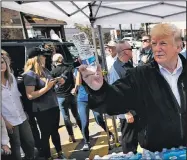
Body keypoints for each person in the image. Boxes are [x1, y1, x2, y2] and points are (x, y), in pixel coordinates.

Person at [79, 23, 187, 152]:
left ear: (179, 46)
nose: (157, 49)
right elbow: (115, 100)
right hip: (157, 153)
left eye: (163, 43)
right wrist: (99, 89)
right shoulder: (139, 76)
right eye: (154, 43)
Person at [23, 46, 65, 160]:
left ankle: (60, 153)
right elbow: (30, 95)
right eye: (43, 56)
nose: (45, 58)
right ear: (37, 58)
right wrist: (47, 88)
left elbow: (50, 85)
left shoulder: (45, 70)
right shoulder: (30, 74)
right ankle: (48, 156)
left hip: (53, 105)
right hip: (42, 109)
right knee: (46, 134)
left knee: (55, 132)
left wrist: (58, 82)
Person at [1, 55, 35, 160]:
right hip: (8, 120)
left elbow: (17, 96)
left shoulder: (11, 77)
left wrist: (24, 111)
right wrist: (5, 122)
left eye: (2, 62)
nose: (1, 65)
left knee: (30, 142)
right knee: (16, 145)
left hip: (21, 116)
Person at [72, 68, 114, 151]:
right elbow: (78, 83)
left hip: (94, 98)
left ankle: (109, 133)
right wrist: (75, 88)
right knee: (84, 122)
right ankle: (86, 142)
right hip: (82, 99)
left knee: (99, 119)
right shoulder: (77, 70)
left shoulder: (92, 68)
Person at [109, 40, 138, 153]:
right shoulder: (115, 69)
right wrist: (126, 112)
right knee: (128, 141)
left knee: (134, 140)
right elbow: (115, 94)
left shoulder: (128, 64)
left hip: (134, 109)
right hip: (127, 112)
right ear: (125, 52)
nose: (132, 51)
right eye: (131, 49)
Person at [50, 53, 82, 143]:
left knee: (66, 117)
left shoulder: (53, 72)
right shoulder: (69, 67)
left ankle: (71, 136)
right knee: (76, 115)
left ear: (54, 62)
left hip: (60, 96)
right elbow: (75, 75)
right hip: (71, 94)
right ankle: (83, 132)